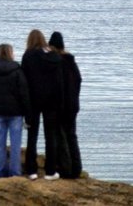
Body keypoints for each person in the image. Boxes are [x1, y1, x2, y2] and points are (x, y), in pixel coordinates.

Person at [21, 29, 63, 180]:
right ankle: (50, 171)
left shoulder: (28, 56)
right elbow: (59, 82)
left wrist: (23, 103)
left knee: (32, 136)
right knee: (50, 136)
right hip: (51, 101)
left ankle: (31, 171)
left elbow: (23, 81)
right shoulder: (54, 56)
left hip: (33, 100)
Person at [0, 43, 31, 178]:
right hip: (16, 113)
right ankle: (15, 173)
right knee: (15, 146)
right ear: (11, 53)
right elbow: (24, 94)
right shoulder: (17, 71)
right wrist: (28, 115)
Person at [49, 31, 83, 179]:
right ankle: (76, 168)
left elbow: (55, 85)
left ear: (51, 45)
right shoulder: (71, 61)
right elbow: (79, 80)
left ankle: (66, 169)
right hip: (73, 105)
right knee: (72, 136)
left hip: (60, 106)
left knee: (60, 137)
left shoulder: (56, 62)